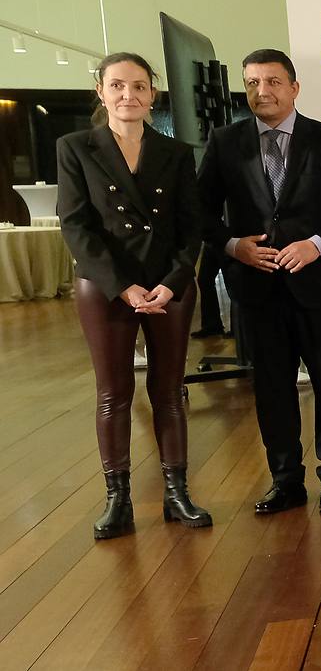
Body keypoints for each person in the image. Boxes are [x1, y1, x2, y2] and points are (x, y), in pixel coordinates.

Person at [196, 48, 321, 515]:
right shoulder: (224, 143)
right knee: (273, 389)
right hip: (257, 290)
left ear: (294, 88)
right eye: (253, 82)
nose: (263, 91)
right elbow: (198, 214)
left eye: (273, 82)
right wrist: (235, 247)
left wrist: (316, 243)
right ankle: (285, 480)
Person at [58, 52, 212, 538]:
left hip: (168, 283)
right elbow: (76, 225)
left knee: (169, 391)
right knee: (114, 393)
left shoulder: (176, 152)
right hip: (106, 286)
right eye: (118, 86)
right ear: (101, 92)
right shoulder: (76, 147)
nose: (129, 95)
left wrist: (174, 279)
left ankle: (177, 494)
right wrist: (121, 286)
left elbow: (193, 227)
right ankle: (117, 500)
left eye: (140, 86)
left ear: (153, 94)